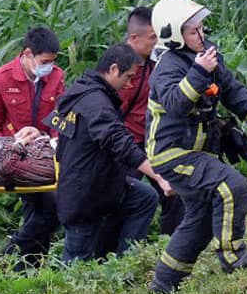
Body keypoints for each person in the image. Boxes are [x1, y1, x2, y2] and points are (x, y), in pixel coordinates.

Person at [146, 0, 247, 294]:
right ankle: (233, 257)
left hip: (197, 152)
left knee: (203, 215)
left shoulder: (207, 55)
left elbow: (233, 91)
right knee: (233, 187)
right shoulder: (167, 67)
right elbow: (175, 104)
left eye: (201, 28)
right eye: (194, 31)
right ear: (174, 35)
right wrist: (199, 72)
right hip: (171, 154)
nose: (202, 35)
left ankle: (165, 282)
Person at [54, 43, 173, 262]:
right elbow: (121, 143)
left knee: (144, 197)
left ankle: (125, 264)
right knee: (75, 268)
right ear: (113, 69)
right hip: (83, 196)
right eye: (128, 77)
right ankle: (76, 290)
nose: (129, 84)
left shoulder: (80, 91)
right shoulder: (96, 103)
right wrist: (159, 176)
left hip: (100, 184)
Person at [0, 26, 65, 268]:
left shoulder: (56, 77)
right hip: (14, 159)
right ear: (27, 54)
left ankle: (22, 265)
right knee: (47, 206)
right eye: (44, 61)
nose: (49, 66)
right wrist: (16, 143)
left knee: (47, 208)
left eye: (52, 61)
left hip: (47, 155)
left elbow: (61, 118)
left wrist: (48, 140)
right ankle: (15, 259)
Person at [118, 6, 184, 236]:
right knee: (124, 199)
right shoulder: (120, 67)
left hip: (153, 140)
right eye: (153, 38)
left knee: (173, 192)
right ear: (134, 38)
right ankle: (123, 254)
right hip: (126, 145)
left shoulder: (155, 61)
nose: (158, 43)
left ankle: (172, 242)